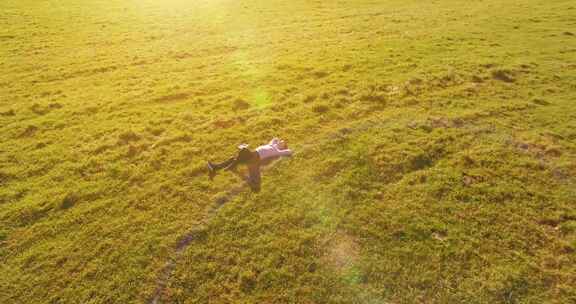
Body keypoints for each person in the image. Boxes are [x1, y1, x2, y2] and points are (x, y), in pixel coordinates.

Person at [207, 138, 293, 192]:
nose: (282, 141)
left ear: (282, 147)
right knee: (235, 157)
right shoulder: (271, 144)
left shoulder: (276, 151)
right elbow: (274, 139)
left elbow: (288, 152)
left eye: (283, 143)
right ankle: (216, 167)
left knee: (243, 152)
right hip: (252, 154)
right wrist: (278, 140)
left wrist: (286, 149)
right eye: (282, 141)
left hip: (254, 158)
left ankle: (231, 165)